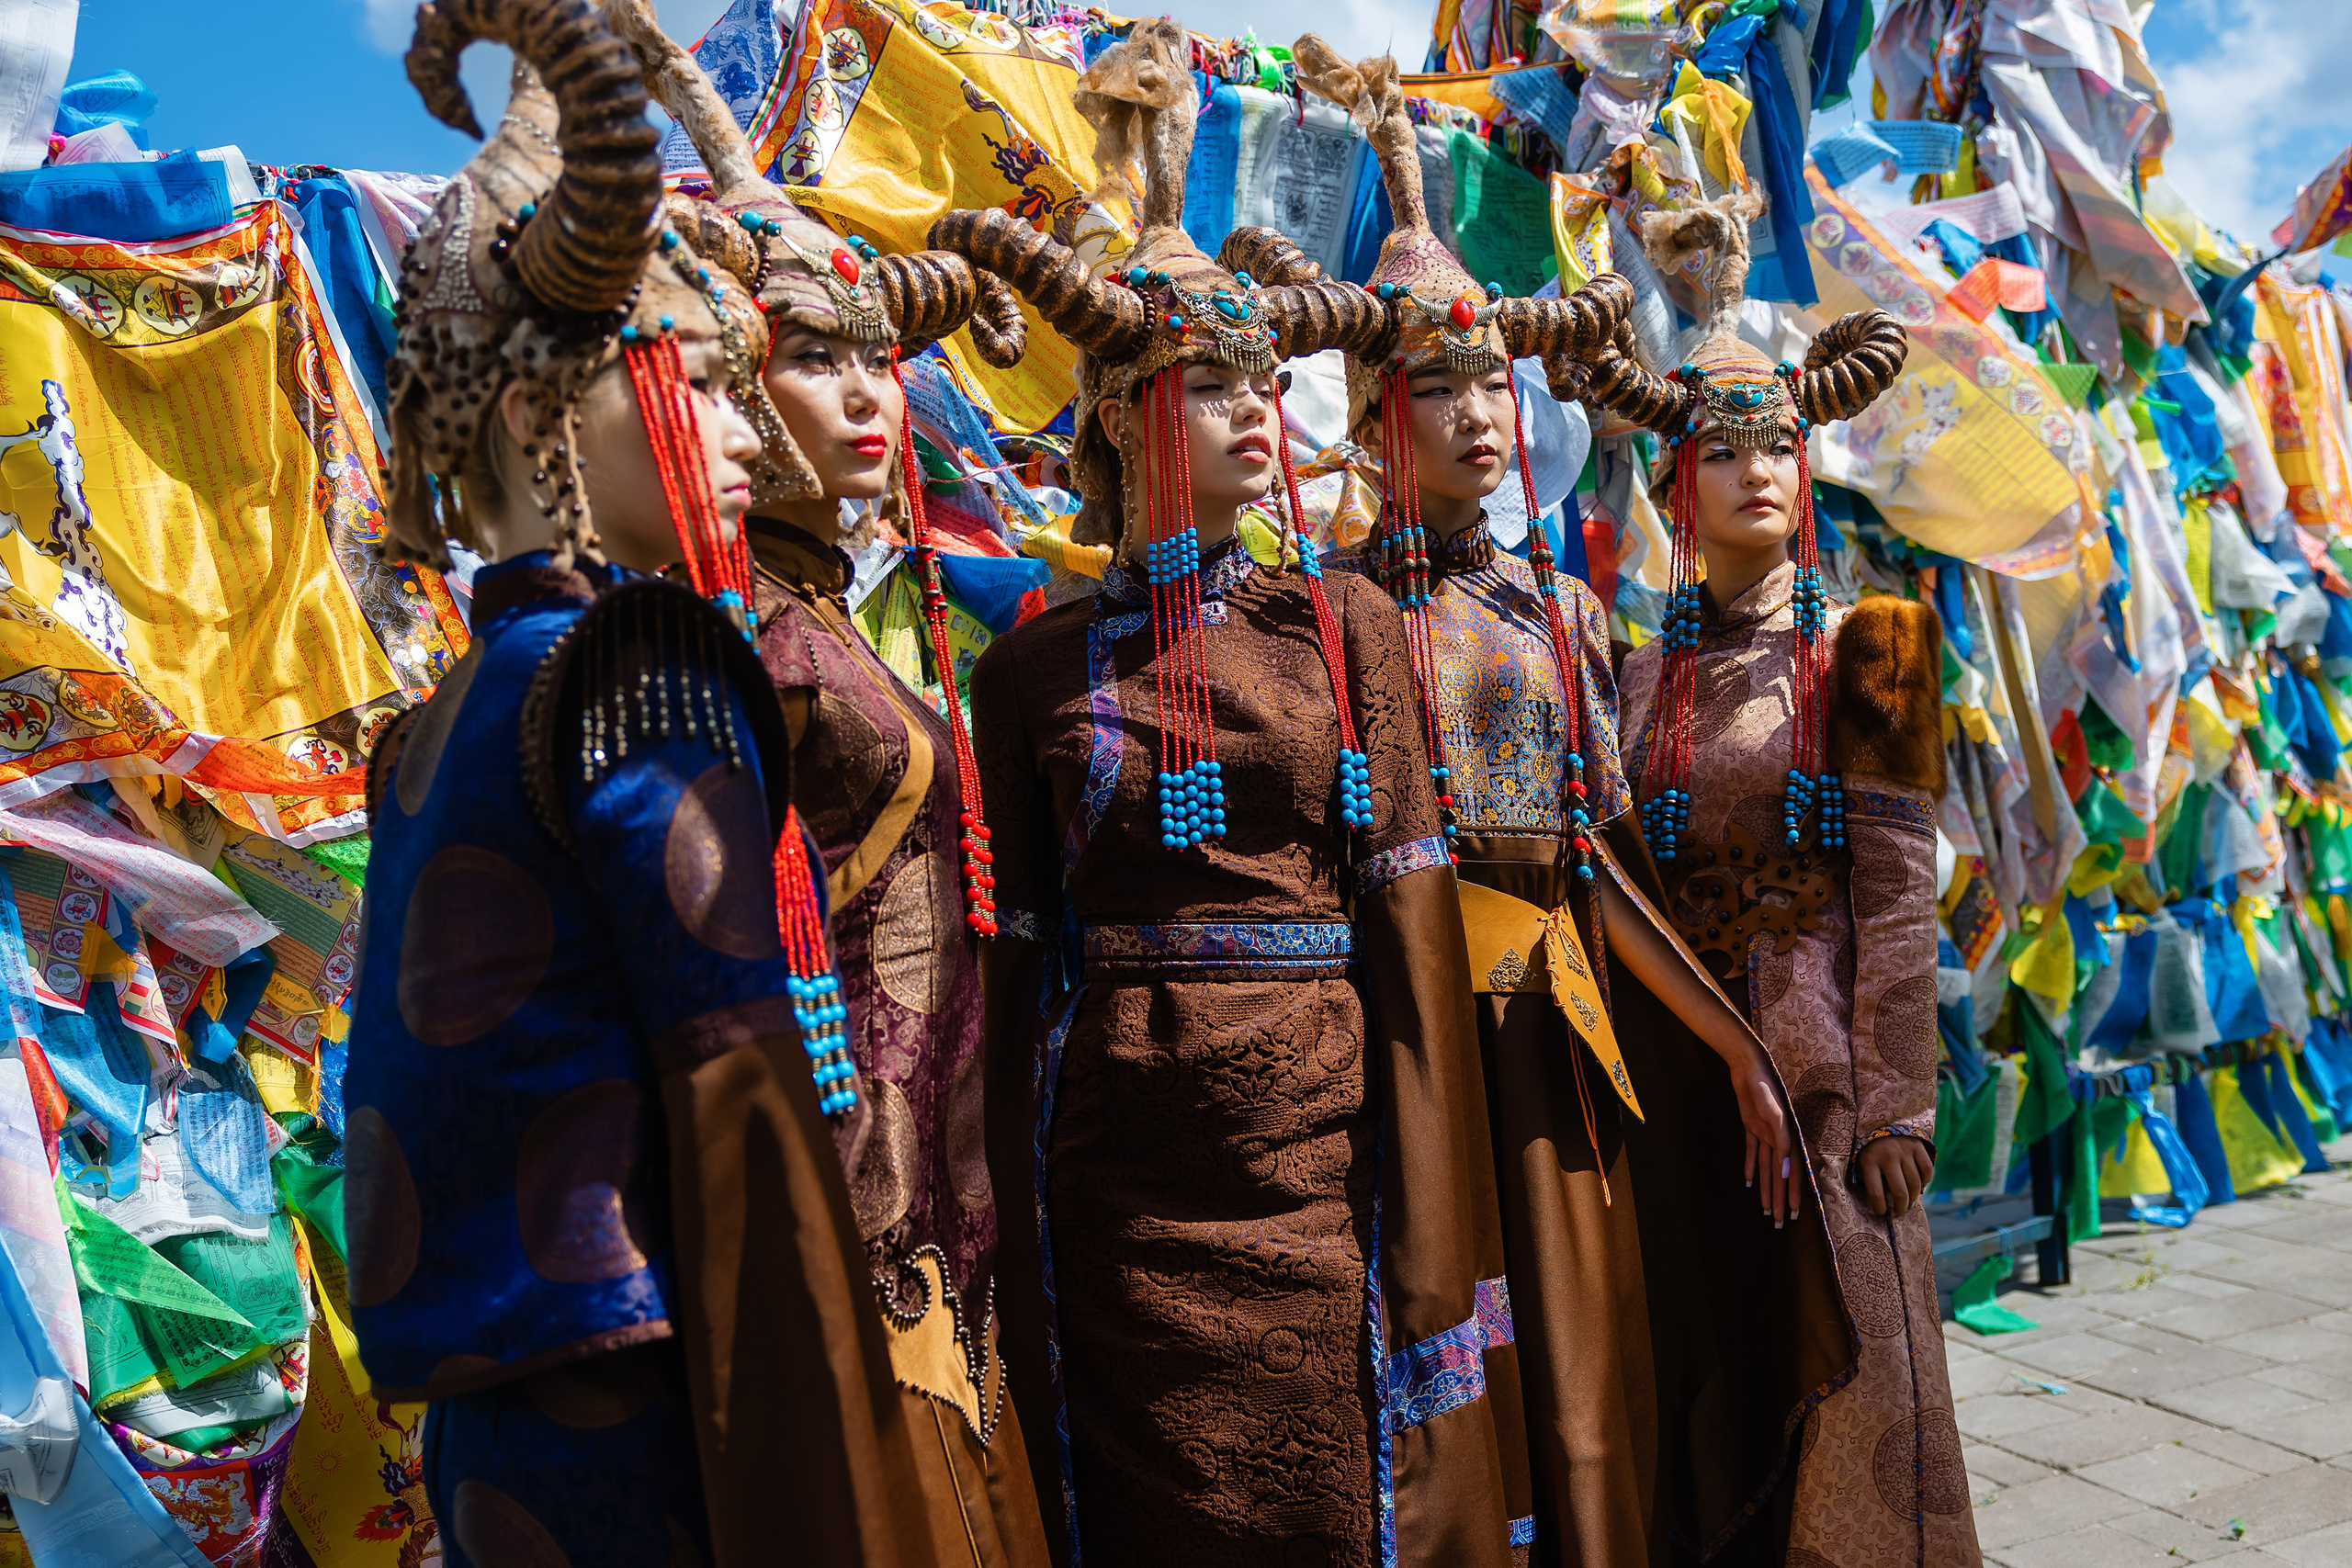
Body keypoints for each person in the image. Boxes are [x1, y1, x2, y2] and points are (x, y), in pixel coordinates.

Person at [924, 20, 1527, 1565]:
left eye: (1268, 380)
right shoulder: (1030, 674)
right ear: (1122, 416)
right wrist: (1001, 1229)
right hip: (1118, 1167)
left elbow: (1411, 926)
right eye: (1212, 385)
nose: (1260, 409)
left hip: (1319, 1157)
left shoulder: (1352, 627)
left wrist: (1438, 1227)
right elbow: (1016, 959)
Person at [346, 2, 939, 1563]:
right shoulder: (641, 670)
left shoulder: (435, 719)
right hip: (662, 1402)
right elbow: (741, 1094)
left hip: (495, 1426)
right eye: (701, 389)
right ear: (544, 414)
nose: (754, 435)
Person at [1282, 39, 1845, 1566]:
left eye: (1494, 383)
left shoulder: (1573, 617)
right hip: (1409, 1035)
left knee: (1596, 1362)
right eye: (1439, 386)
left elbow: (1600, 864)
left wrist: (1752, 1052)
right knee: (1464, 1372)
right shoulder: (1328, 615)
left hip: (1591, 1027)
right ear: (1370, 414)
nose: (1479, 416)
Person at [605, 7, 1053, 1560]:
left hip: (947, 1181)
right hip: (842, 1192)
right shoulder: (729, 644)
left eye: (880, 359)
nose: (870, 395)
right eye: (812, 361)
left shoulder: (831, 629)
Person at [1575, 195, 1981, 1565]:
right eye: (1725, 449)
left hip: (1827, 1077)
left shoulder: (1883, 643)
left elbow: (1898, 896)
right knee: (1713, 1372)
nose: (1761, 470)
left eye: (1784, 448)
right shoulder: (1633, 678)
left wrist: (1895, 1103)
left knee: (1856, 1367)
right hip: (1681, 1069)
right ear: (1671, 482)